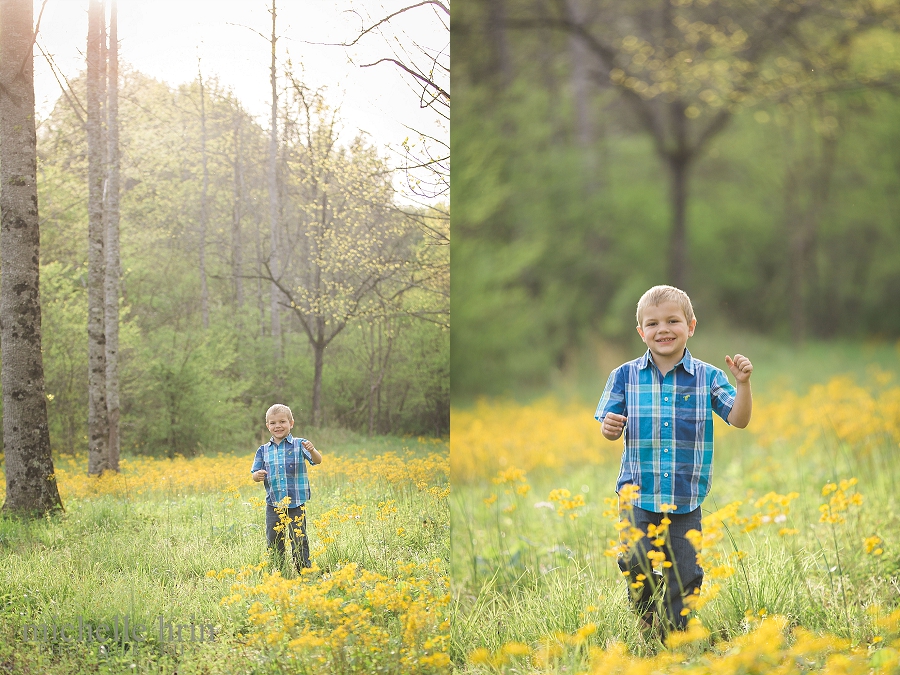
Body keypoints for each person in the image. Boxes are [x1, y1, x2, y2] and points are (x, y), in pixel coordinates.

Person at [594, 285, 753, 633]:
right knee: (635, 560)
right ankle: (648, 618)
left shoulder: (709, 377)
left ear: (691, 325)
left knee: (686, 571)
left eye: (672, 321)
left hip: (685, 497)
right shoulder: (624, 376)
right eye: (652, 324)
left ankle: (675, 635)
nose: (662, 329)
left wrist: (742, 385)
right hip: (637, 492)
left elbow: (739, 419)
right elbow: (607, 425)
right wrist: (609, 427)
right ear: (641, 332)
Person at [251, 404, 323, 573]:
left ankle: (304, 571)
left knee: (299, 538)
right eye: (273, 423)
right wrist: (257, 475)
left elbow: (317, 461)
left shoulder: (300, 444)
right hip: (274, 503)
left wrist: (312, 451)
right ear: (268, 426)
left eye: (282, 421)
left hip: (296, 502)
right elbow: (254, 474)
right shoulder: (263, 450)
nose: (278, 426)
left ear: (291, 423)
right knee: (274, 539)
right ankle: (279, 569)